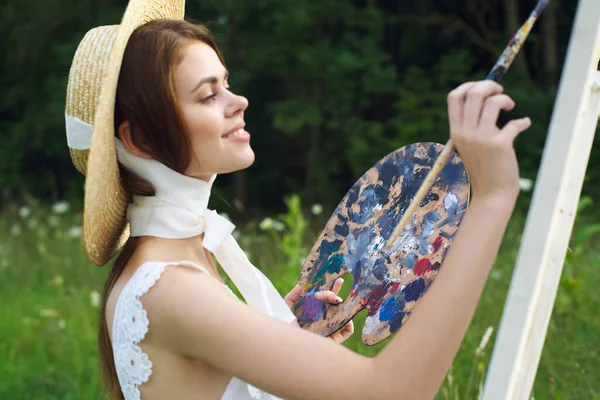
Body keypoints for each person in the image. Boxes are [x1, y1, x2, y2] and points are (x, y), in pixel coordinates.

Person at [64, 1, 531, 399]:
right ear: (141, 138)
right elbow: (392, 391)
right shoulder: (169, 287)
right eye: (208, 95)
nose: (238, 100)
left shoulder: (182, 257)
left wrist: (289, 336)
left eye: (226, 83)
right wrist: (492, 197)